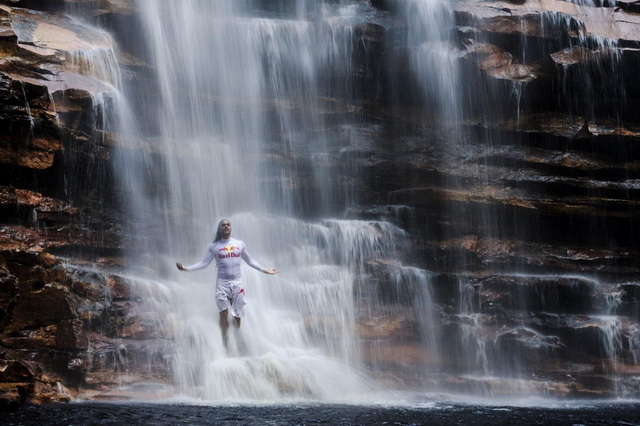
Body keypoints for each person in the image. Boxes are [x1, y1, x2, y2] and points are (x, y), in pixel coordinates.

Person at [176, 219, 278, 345]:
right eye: (223, 225)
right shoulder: (214, 247)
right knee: (223, 313)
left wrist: (264, 270)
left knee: (237, 315)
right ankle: (225, 338)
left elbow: (250, 261)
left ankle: (236, 336)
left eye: (228, 225)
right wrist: (186, 268)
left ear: (231, 228)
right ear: (220, 229)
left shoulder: (239, 244)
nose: (225, 226)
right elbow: (203, 263)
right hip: (222, 284)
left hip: (237, 283)